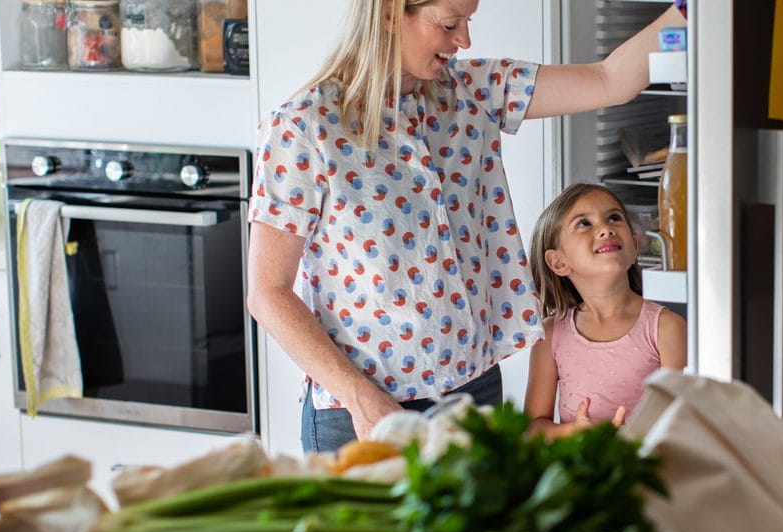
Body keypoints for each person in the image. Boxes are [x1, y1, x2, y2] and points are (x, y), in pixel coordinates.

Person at [245, 0, 688, 453]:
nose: (464, 41)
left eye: (468, 22)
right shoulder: (304, 127)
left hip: (471, 395)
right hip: (359, 411)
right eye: (450, 23)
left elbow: (609, 80)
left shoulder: (475, 90)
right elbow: (267, 293)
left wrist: (693, 10)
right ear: (389, 13)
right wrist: (361, 399)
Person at [524, 183, 687, 436]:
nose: (605, 229)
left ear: (634, 247)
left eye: (614, 217)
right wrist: (575, 432)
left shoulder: (666, 328)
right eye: (584, 223)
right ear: (558, 262)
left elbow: (681, 422)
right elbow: (532, 429)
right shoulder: (550, 335)